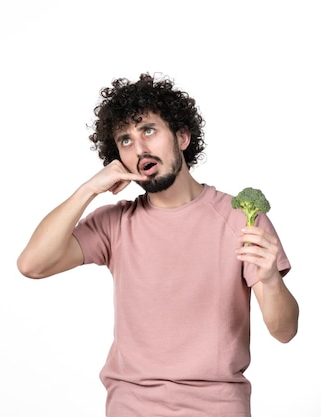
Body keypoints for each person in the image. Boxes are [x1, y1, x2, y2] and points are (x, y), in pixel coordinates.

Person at [16, 73, 299, 416]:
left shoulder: (241, 218)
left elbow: (284, 331)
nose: (140, 149)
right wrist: (88, 189)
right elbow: (32, 264)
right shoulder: (115, 223)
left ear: (182, 136)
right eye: (125, 139)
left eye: (148, 130)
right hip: (130, 407)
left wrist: (270, 279)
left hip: (216, 407)